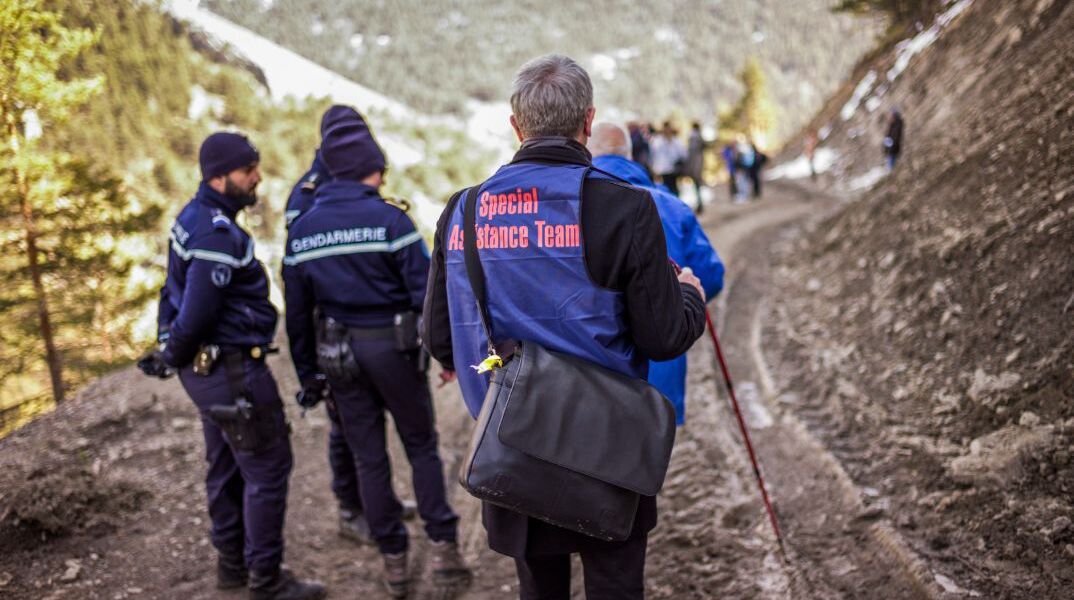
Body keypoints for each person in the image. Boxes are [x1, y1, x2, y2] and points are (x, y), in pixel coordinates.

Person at [423, 54, 707, 600]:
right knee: (615, 585)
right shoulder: (626, 207)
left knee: (539, 588)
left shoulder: (463, 211)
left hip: (512, 440)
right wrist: (690, 297)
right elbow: (663, 336)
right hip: (608, 447)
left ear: (515, 125)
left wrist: (480, 355)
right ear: (587, 122)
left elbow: (440, 339)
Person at [282, 108, 470, 598]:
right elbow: (426, 294)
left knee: (368, 457)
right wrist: (446, 355)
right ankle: (445, 549)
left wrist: (308, 377)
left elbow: (297, 315)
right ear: (374, 170)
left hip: (338, 356)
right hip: (395, 351)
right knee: (421, 446)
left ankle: (393, 560)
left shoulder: (303, 232)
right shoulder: (391, 221)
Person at [137, 132, 325, 600]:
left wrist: (169, 349)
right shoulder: (215, 232)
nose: (257, 177)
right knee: (267, 467)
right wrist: (172, 351)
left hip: (209, 375)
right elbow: (198, 308)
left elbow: (170, 291)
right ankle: (267, 579)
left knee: (224, 463)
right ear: (219, 176)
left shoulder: (191, 217)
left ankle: (232, 567)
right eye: (248, 170)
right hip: (232, 371)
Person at [284, 105, 416, 548]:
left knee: (367, 430)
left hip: (359, 325)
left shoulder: (351, 175)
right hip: (334, 330)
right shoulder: (306, 196)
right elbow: (299, 274)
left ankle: (382, 504)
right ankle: (350, 507)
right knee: (348, 428)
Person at [589, 122, 724, 424]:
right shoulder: (671, 205)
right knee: (651, 463)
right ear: (630, 156)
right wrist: (686, 300)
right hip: (660, 372)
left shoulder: (573, 205)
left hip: (593, 377)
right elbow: (711, 276)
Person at [650, 121, 686, 197]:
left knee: (674, 191)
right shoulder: (657, 141)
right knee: (663, 191)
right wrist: (653, 169)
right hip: (661, 171)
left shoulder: (676, 141)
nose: (667, 131)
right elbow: (653, 156)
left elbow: (683, 155)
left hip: (673, 171)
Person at [685, 121, 706, 214]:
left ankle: (699, 204)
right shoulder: (699, 137)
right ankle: (700, 204)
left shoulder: (693, 137)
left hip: (694, 165)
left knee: (696, 185)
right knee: (697, 185)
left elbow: (691, 153)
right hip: (698, 164)